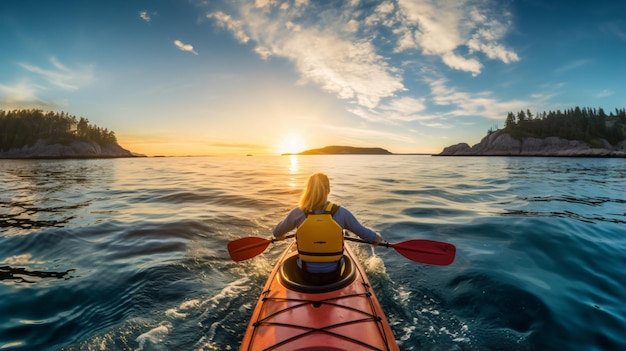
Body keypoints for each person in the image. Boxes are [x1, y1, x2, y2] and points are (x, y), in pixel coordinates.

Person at [273, 172, 384, 275]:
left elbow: (277, 232)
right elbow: (364, 234)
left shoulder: (297, 213)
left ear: (308, 190)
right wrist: (376, 238)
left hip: (304, 269)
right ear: (328, 190)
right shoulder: (341, 212)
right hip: (335, 269)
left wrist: (281, 237)